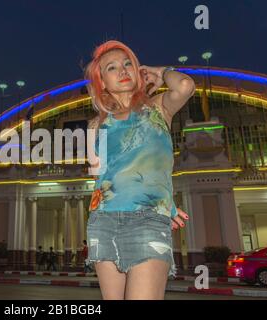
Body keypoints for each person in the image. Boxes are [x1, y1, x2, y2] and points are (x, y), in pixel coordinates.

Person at [85, 40, 192, 300]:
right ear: (102, 82)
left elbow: (185, 86)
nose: (122, 71)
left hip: (148, 220)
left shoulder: (157, 108)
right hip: (104, 223)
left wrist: (161, 72)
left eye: (127, 64)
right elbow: (100, 179)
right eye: (112, 68)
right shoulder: (95, 126)